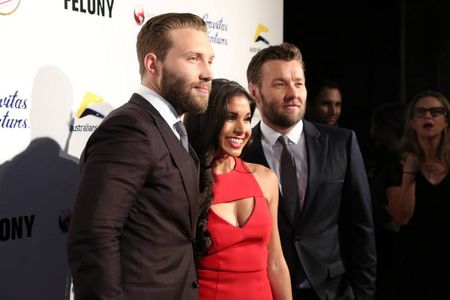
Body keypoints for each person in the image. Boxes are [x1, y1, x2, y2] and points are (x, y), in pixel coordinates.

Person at [67, 13, 214, 300]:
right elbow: (94, 236)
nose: (208, 72)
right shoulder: (130, 128)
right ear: (152, 64)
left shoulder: (169, 128)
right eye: (193, 58)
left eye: (210, 60)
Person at [242, 43, 376, 300]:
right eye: (280, 84)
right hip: (265, 291)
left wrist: (363, 294)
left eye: (299, 83)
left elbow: (361, 229)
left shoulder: (341, 143)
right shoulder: (241, 152)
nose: (293, 93)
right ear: (255, 92)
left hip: (332, 291)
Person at [184, 78, 292, 300]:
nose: (242, 129)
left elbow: (276, 262)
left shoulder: (265, 178)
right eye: (231, 117)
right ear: (208, 120)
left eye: (247, 119)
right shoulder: (185, 182)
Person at [388, 90, 450, 300]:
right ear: (412, 122)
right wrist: (409, 174)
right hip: (414, 263)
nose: (428, 117)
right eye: (421, 112)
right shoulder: (399, 165)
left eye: (436, 112)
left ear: (446, 121)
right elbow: (401, 217)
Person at [367, 102, 406, 300]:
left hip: (393, 238)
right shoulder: (381, 156)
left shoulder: (398, 159)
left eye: (376, 125)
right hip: (384, 234)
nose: (372, 130)